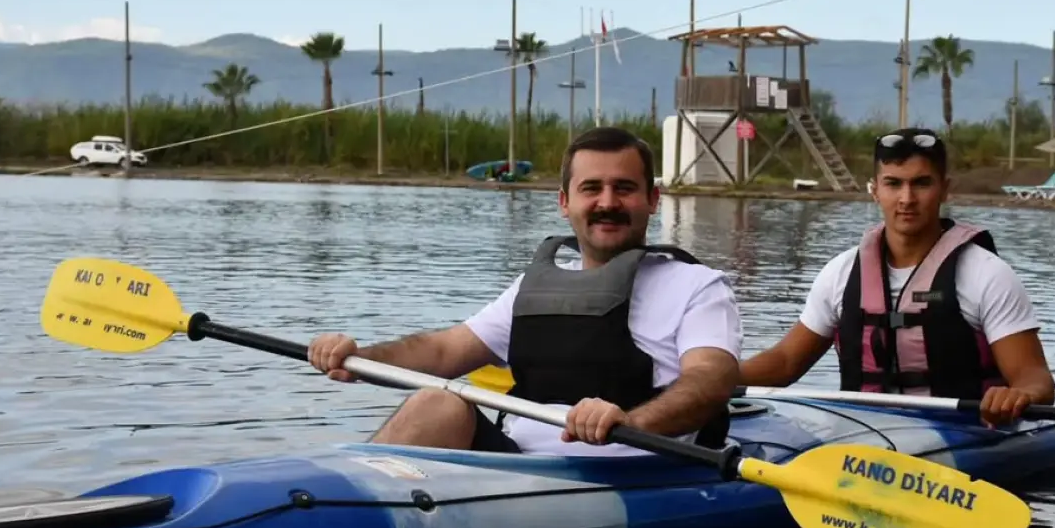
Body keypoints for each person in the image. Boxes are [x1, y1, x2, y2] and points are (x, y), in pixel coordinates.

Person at [307, 126, 743, 456]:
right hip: (520, 469)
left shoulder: (697, 287)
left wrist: (631, 420)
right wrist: (361, 358)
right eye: (591, 188)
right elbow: (441, 352)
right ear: (564, 202)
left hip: (633, 476)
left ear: (652, 199)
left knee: (437, 404)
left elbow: (710, 381)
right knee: (436, 404)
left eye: (624, 189)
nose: (607, 202)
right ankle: (342, 503)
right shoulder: (535, 288)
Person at [739, 127, 1055, 428]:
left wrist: (1019, 395)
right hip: (861, 432)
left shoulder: (986, 274)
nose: (907, 198)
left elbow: (1035, 378)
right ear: (875, 190)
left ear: (944, 189)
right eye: (893, 184)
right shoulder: (841, 272)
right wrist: (713, 378)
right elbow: (784, 362)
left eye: (921, 183)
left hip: (965, 432)